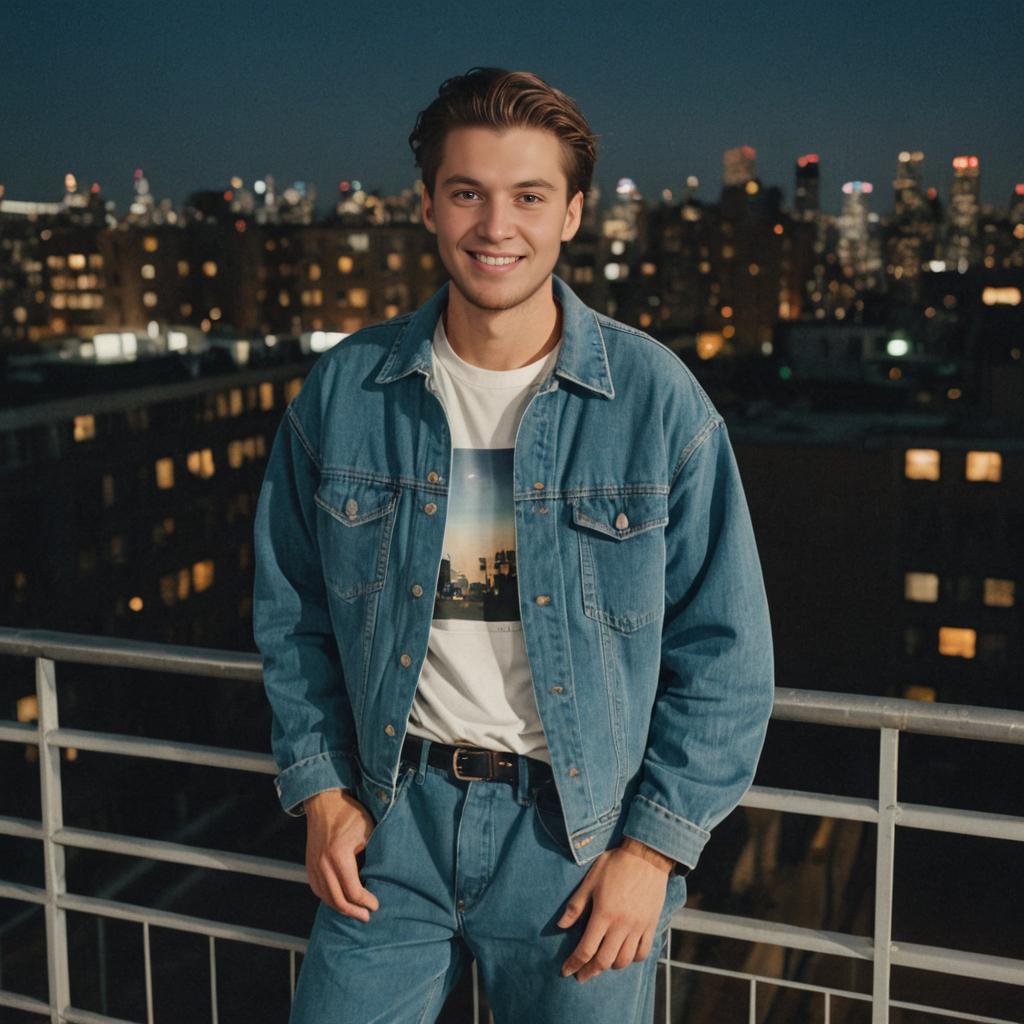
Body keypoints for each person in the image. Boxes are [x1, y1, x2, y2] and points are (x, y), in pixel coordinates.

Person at [253, 67, 774, 1024]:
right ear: (427, 207)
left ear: (572, 213)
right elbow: (291, 610)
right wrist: (320, 788)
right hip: (388, 828)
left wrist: (653, 852)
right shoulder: (345, 392)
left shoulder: (658, 403)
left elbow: (728, 653)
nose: (497, 227)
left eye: (529, 196)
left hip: (576, 847)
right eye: (468, 193)